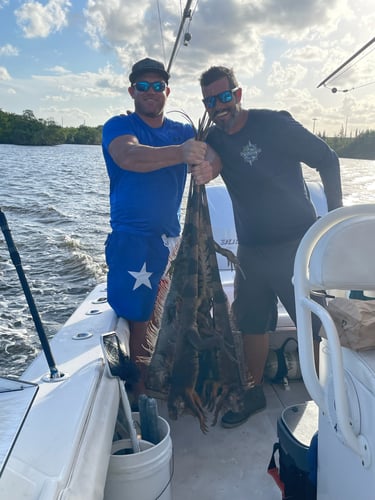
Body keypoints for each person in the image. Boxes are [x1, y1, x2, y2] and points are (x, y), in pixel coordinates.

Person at [191, 65, 343, 428]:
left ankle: (334, 399)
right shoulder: (215, 137)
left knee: (316, 325)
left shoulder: (274, 124)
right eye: (211, 100)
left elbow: (328, 159)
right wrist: (206, 168)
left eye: (225, 96)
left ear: (238, 94)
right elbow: (211, 159)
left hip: (297, 246)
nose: (219, 105)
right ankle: (252, 391)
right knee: (251, 324)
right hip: (251, 251)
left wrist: (335, 219)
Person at [102, 57, 220, 402]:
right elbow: (130, 157)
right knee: (136, 316)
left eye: (158, 86)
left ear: (167, 91)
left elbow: (214, 151)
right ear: (132, 91)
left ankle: (155, 376)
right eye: (143, 86)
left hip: (171, 242)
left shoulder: (183, 130)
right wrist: (181, 153)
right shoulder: (120, 125)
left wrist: (210, 168)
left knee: (162, 313)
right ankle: (137, 391)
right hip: (132, 241)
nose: (151, 92)